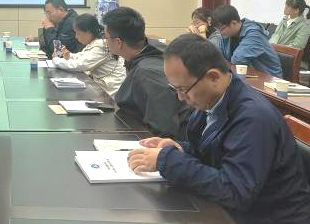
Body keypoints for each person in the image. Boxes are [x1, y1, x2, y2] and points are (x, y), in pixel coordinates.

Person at [128, 34, 310, 224]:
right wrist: (179, 149)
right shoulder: (213, 100)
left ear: (213, 77)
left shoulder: (253, 118)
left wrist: (168, 160)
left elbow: (235, 191)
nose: (181, 98)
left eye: (183, 89)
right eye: (175, 89)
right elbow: (214, 152)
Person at [102, 7, 192, 139]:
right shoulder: (150, 49)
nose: (105, 42)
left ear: (118, 42)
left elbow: (163, 127)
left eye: (106, 38)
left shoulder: (148, 73)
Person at [52, 13, 125, 98]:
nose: (76, 37)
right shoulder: (96, 42)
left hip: (109, 92)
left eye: (78, 33)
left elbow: (81, 65)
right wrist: (69, 55)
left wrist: (56, 60)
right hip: (101, 86)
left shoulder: (101, 46)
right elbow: (83, 56)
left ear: (88, 33)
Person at [212, 5, 282, 77]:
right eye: (218, 30)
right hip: (245, 76)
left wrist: (224, 62)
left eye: (222, 29)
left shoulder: (254, 34)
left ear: (233, 23)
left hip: (268, 79)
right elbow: (216, 56)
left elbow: (238, 60)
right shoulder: (228, 35)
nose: (220, 33)